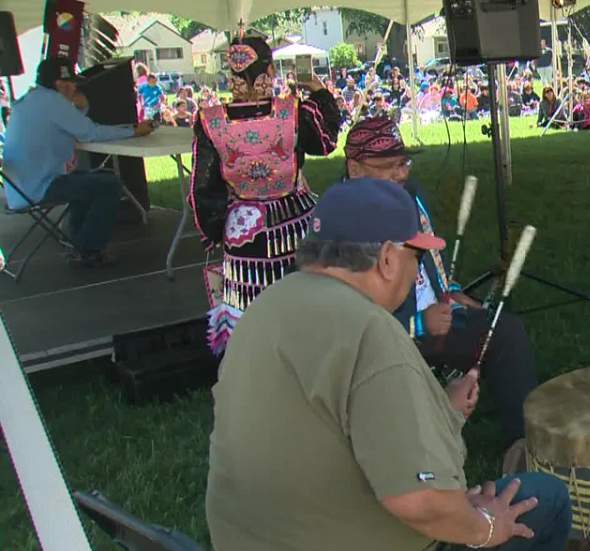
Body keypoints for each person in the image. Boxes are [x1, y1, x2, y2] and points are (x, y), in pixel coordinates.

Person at [206, 178, 571, 551]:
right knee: (543, 503)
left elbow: (335, 423)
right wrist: (483, 526)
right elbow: (418, 500)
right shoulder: (371, 333)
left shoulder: (266, 307)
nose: (416, 269)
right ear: (386, 259)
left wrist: (440, 408)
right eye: (416, 258)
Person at [343, 117, 539, 454]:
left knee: (505, 331)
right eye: (388, 166)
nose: (401, 174)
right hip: (391, 343)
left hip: (436, 315)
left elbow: (425, 260)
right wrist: (420, 323)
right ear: (355, 169)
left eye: (403, 162)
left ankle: (522, 447)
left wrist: (450, 290)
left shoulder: (409, 194)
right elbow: (352, 329)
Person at [189, 36, 340, 353]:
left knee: (248, 305)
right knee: (303, 295)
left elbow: (204, 187)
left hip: (244, 228)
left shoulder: (211, 121)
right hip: (294, 221)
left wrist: (215, 230)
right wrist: (320, 91)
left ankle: (255, 367)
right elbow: (326, 141)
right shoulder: (293, 112)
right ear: (269, 69)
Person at [2, 58, 154, 267]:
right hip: (39, 188)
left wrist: (82, 108)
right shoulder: (52, 102)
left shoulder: (31, 100)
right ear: (59, 84)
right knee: (108, 185)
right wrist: (134, 131)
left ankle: (77, 240)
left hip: (20, 189)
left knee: (94, 180)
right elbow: (90, 132)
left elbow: (71, 125)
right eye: (71, 83)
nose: (75, 87)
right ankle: (89, 249)